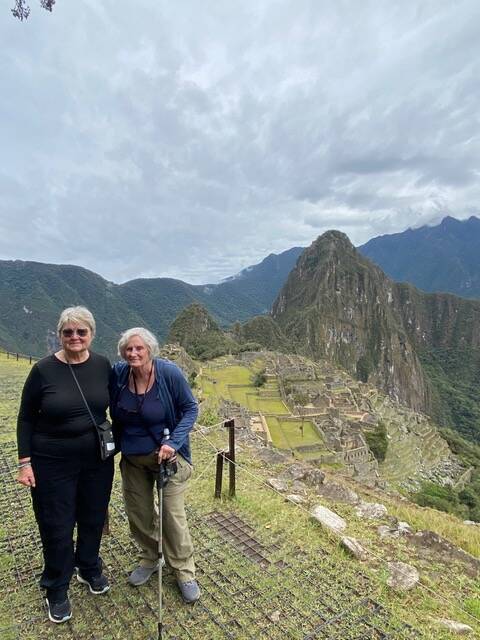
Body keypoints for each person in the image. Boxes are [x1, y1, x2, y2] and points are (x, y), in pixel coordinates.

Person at [17, 306, 114, 624]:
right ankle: (56, 586)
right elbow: (26, 418)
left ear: (91, 334)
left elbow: (119, 404)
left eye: (81, 331)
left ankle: (88, 566)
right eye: (68, 332)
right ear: (60, 335)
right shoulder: (43, 370)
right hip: (52, 461)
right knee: (56, 525)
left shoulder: (102, 365)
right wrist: (25, 462)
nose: (75, 337)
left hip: (96, 460)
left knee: (93, 516)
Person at [110, 327, 200, 603]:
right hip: (133, 459)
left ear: (150, 350)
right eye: (129, 349)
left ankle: (184, 571)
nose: (133, 353)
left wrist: (173, 442)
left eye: (139, 348)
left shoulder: (168, 374)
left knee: (172, 516)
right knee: (138, 513)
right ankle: (150, 556)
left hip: (167, 459)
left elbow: (191, 408)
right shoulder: (119, 374)